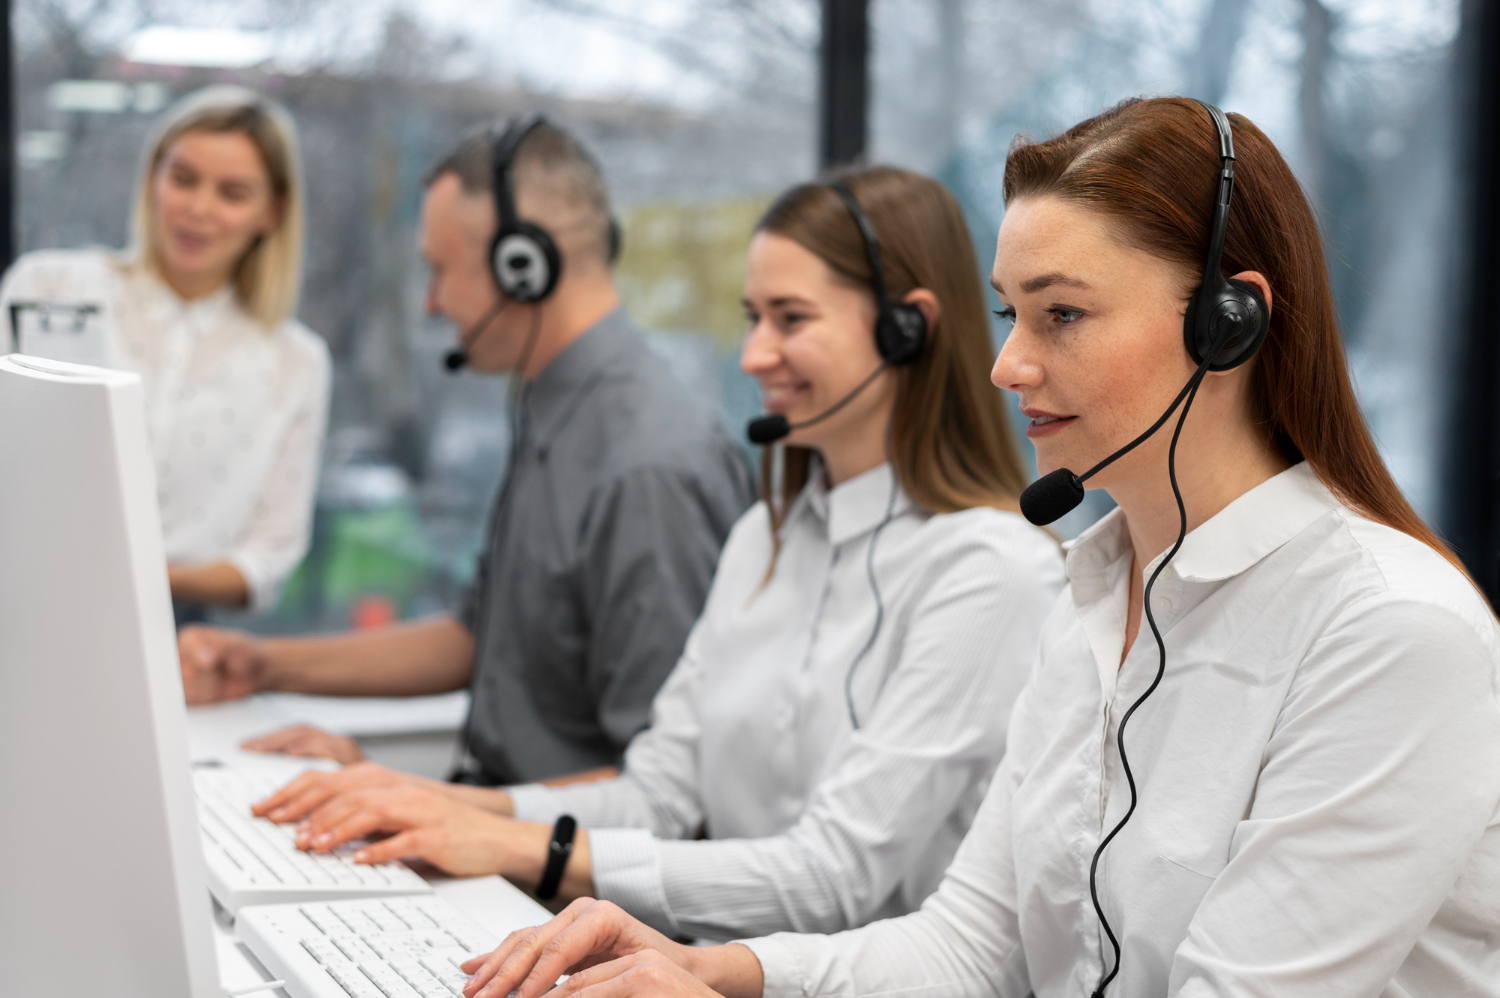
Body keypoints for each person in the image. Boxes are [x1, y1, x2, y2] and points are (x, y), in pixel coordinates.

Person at [452, 97, 1500, 998]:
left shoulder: (1390, 630)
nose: (1007, 364)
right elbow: (966, 944)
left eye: (1062, 315)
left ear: (1229, 324)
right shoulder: (1094, 592)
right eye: (1011, 314)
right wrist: (715, 971)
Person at [248, 166, 1065, 941]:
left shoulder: (989, 570)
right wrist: (430, 806)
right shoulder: (765, 540)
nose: (752, 355)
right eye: (752, 318)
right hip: (696, 968)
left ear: (906, 329)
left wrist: (518, 846)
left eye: (791, 318)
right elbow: (659, 794)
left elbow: (833, 877)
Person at [178, 117, 755, 785]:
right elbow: (477, 639)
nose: (431, 303)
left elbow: (666, 790)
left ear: (523, 269)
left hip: (565, 883)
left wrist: (415, 801)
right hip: (502, 832)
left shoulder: (647, 464)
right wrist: (265, 664)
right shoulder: (554, 407)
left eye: (440, 270)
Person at [0, 86, 329, 618]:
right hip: (16, 595)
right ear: (153, 179)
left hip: (175, 623)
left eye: (232, 192)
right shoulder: (49, 287)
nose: (198, 209)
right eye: (183, 179)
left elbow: (271, 554)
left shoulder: (297, 361)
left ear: (272, 212)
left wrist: (140, 580)